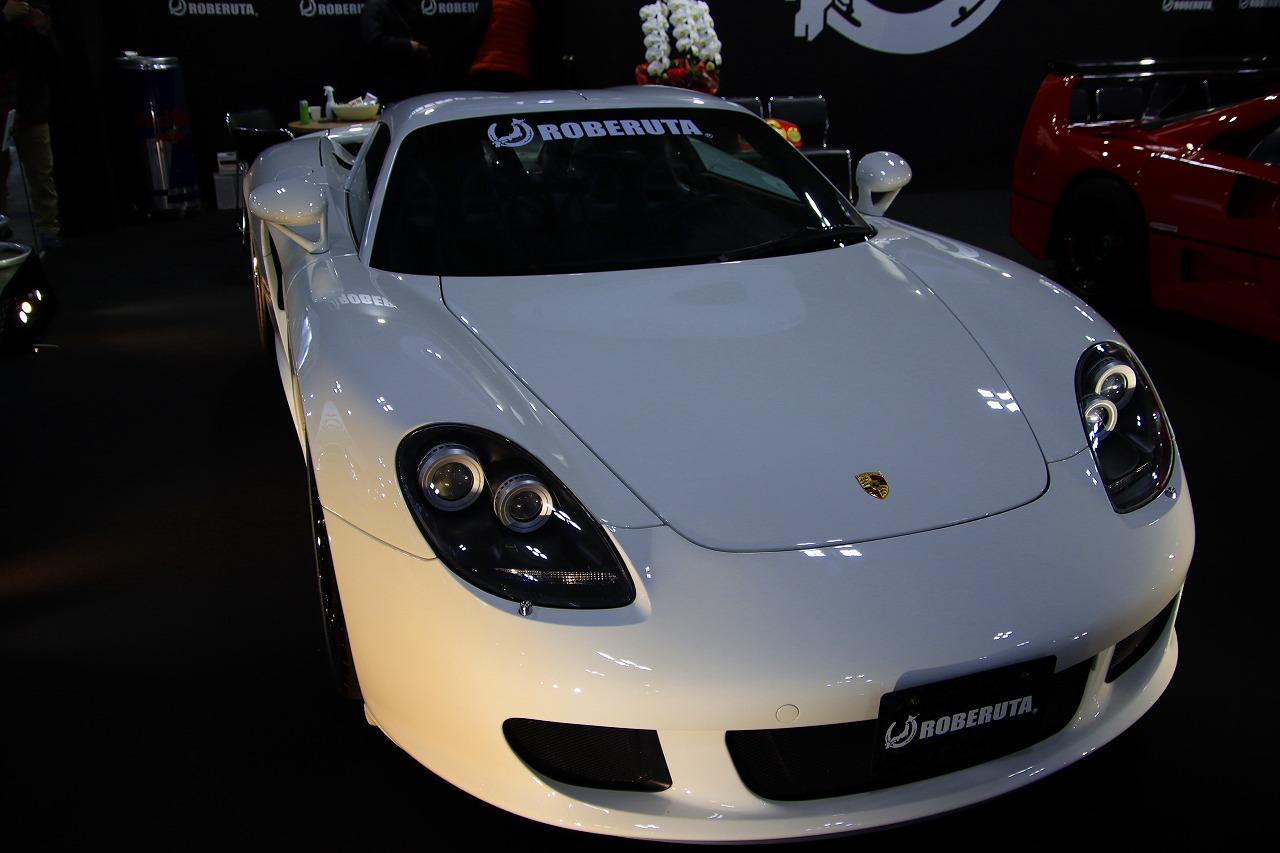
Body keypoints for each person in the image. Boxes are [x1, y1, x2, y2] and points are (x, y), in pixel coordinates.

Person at [0, 0, 61, 251]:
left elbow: (54, 63)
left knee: (42, 173)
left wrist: (44, 32)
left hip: (32, 108)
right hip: (3, 108)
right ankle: (2, 228)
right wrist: (4, 18)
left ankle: (49, 228)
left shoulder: (33, 18)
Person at [359, 0, 437, 105]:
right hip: (385, 82)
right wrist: (407, 45)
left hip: (410, 83)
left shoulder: (406, 7)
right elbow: (374, 40)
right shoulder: (374, 6)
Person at [467, 0, 538, 93]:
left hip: (487, 70)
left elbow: (472, 34)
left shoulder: (492, 3)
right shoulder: (529, 9)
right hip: (517, 76)